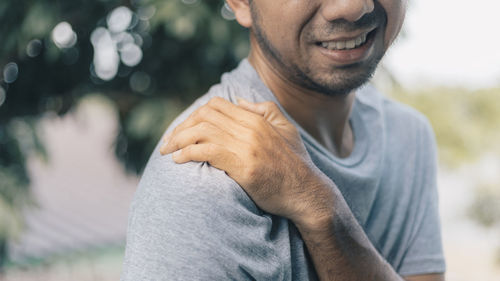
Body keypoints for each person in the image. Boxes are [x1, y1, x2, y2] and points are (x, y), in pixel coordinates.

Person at [121, 0, 446, 280]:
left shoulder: (409, 138)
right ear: (241, 3)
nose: (352, 7)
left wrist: (319, 204)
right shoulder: (201, 180)